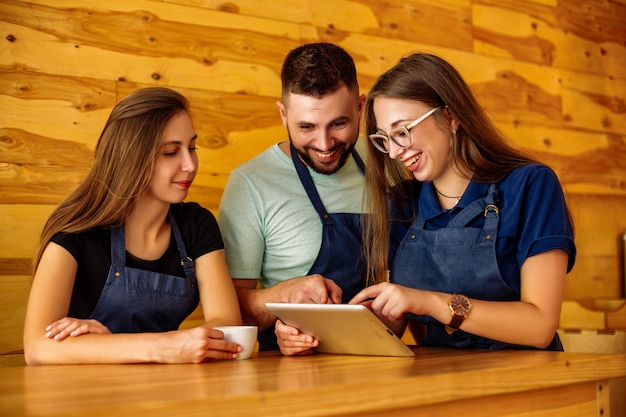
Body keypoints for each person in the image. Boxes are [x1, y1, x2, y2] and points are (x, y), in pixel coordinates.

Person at [346, 52, 576, 351]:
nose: (393, 152)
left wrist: (430, 302)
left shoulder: (530, 186)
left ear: (451, 115)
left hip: (524, 381)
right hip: (438, 378)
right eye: (384, 138)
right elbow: (400, 324)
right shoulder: (401, 204)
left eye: (402, 131)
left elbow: (539, 326)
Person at [23, 87, 243, 365]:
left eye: (191, 148)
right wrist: (164, 346)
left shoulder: (196, 225)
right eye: (170, 152)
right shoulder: (75, 235)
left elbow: (228, 322)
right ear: (132, 157)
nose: (189, 165)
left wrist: (107, 343)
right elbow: (36, 348)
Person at [218, 42, 367, 352]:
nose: (324, 143)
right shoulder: (251, 184)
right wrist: (285, 296)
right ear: (283, 115)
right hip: (296, 373)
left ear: (360, 108)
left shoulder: (389, 162)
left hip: (388, 362)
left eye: (339, 123)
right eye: (306, 127)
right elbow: (228, 314)